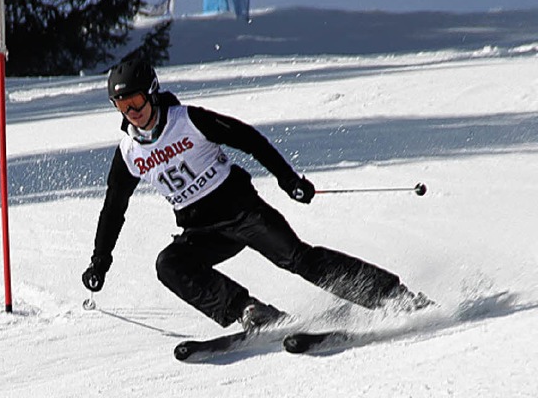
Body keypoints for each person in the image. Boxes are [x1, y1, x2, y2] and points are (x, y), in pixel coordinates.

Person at [83, 59, 431, 331]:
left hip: (243, 212)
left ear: (152, 91)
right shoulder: (129, 152)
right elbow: (114, 208)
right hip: (202, 231)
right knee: (170, 265)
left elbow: (248, 139)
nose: (132, 111)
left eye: (136, 100)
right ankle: (250, 311)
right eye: (122, 105)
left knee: (297, 259)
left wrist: (287, 178)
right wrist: (100, 260)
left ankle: (392, 296)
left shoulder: (187, 120)